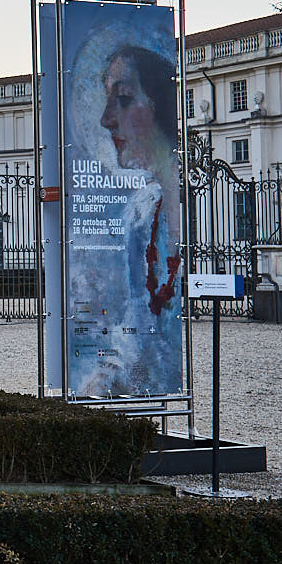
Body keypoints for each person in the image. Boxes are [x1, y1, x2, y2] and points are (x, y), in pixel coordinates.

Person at [76, 44, 183, 398]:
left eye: (122, 99)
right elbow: (141, 316)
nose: (106, 119)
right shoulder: (140, 209)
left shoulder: (152, 206)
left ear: (159, 105)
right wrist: (110, 373)